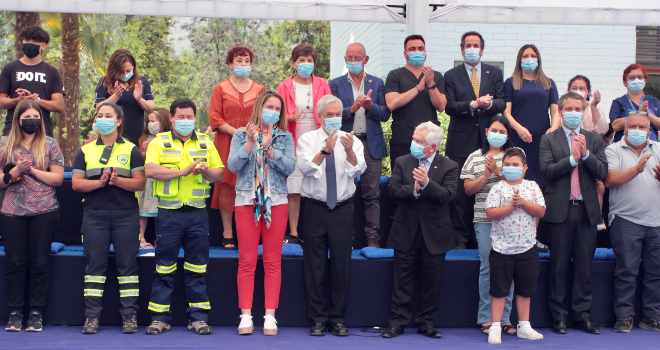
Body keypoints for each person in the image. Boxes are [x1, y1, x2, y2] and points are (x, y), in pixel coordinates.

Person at [144, 98, 224, 336]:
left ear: (195, 118)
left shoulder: (205, 143)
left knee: (197, 268)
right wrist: (184, 171)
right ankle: (159, 318)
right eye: (181, 117)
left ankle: (198, 318)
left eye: (190, 117)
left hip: (198, 214)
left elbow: (219, 174)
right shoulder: (159, 142)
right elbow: (150, 170)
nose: (186, 121)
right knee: (164, 268)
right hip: (169, 214)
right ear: (171, 118)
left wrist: (206, 170)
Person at [71, 102, 146, 334]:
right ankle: (92, 317)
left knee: (128, 267)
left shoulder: (131, 149)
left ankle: (130, 316)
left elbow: (141, 183)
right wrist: (99, 183)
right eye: (99, 115)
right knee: (95, 266)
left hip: (126, 215)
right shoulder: (85, 150)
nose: (102, 119)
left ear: (118, 121)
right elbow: (75, 183)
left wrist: (117, 181)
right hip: (95, 216)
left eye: (108, 115)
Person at [539, 92, 608, 335]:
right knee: (558, 267)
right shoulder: (549, 139)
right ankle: (559, 317)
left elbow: (602, 171)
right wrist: (571, 159)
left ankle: (582, 316)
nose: (573, 113)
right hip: (560, 211)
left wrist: (586, 155)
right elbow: (547, 171)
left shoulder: (594, 139)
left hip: (587, 211)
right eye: (568, 108)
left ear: (583, 110)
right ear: (560, 111)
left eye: (578, 109)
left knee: (584, 267)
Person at [227, 91, 296, 336]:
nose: (273, 112)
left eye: (278, 108)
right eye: (269, 106)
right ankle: (245, 315)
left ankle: (270, 316)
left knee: (272, 261)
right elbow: (233, 165)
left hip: (276, 202)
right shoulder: (239, 134)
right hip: (247, 201)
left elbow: (290, 166)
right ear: (259, 108)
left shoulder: (285, 137)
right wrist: (251, 142)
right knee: (246, 261)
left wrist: (268, 149)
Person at [297, 95, 366, 337]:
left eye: (338, 114)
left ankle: (337, 319)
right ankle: (317, 320)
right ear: (320, 117)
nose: (335, 118)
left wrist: (348, 151)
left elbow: (359, 170)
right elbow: (306, 168)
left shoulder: (352, 140)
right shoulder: (307, 139)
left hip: (343, 209)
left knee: (341, 266)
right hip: (315, 208)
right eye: (330, 114)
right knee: (314, 266)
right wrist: (326, 149)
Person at [383, 122, 457, 339]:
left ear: (432, 147)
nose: (413, 144)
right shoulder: (402, 162)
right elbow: (393, 191)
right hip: (405, 229)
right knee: (401, 280)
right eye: (414, 139)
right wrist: (414, 189)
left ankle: (427, 322)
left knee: (431, 281)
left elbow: (448, 196)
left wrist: (426, 184)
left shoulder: (449, 166)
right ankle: (397, 322)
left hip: (435, 233)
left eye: (419, 141)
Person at [1, 100, 64, 332]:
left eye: (35, 116)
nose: (31, 120)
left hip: (44, 210)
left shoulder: (50, 144)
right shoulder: (4, 144)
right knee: (15, 263)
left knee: (39, 262)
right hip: (12, 212)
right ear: (18, 119)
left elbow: (57, 179)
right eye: (26, 116)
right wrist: (14, 172)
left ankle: (36, 313)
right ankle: (15, 313)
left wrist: (32, 170)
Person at [444, 31, 506, 249]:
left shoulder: (495, 73)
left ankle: (487, 239)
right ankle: (461, 240)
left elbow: (501, 102)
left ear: (482, 49)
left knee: (489, 187)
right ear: (462, 49)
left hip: (488, 141)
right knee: (461, 193)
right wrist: (473, 104)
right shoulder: (451, 75)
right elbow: (449, 106)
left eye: (476, 45)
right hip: (461, 141)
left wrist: (488, 105)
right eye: (468, 45)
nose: (472, 49)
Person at [603, 111, 660, 333]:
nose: (637, 131)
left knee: (656, 272)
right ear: (625, 130)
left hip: (656, 220)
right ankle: (623, 316)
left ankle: (652, 316)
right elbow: (609, 179)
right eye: (633, 127)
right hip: (626, 219)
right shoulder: (613, 149)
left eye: (642, 127)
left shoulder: (658, 148)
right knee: (626, 271)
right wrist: (636, 170)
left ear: (649, 130)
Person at [329, 42, 389, 248]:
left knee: (372, 194)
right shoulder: (335, 84)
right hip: (347, 143)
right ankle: (347, 238)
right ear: (345, 59)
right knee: (346, 192)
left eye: (357, 58)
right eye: (350, 58)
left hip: (371, 144)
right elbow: (332, 115)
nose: (353, 61)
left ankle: (373, 239)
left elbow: (385, 114)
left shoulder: (377, 82)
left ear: (366, 59)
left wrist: (371, 107)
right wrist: (351, 109)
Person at [461, 115, 515, 336]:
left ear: (508, 135)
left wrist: (499, 171)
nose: (498, 135)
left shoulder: (514, 156)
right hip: (484, 220)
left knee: (508, 269)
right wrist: (485, 176)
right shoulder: (475, 157)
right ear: (486, 132)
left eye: (502, 132)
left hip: (511, 220)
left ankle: (504, 318)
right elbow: (468, 190)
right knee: (487, 267)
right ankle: (486, 318)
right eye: (494, 130)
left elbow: (519, 182)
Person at [485, 147, 546, 345]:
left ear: (525, 168)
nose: (512, 168)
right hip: (501, 249)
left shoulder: (532, 187)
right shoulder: (497, 188)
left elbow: (541, 211)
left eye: (516, 165)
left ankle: (524, 325)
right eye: (508, 164)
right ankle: (495, 326)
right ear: (502, 167)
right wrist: (511, 206)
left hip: (527, 248)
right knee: (499, 289)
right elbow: (491, 213)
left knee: (525, 289)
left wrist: (523, 203)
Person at [209, 46, 265, 250]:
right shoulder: (220, 88)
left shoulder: (259, 89)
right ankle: (227, 233)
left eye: (247, 60)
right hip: (226, 141)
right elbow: (215, 118)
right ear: (230, 63)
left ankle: (247, 231)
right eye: (239, 60)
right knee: (227, 184)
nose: (243, 64)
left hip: (253, 140)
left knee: (250, 183)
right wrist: (237, 132)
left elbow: (263, 115)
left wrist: (251, 134)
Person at [276, 44, 331, 242]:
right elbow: (277, 115)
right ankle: (293, 232)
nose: (306, 64)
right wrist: (290, 117)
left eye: (310, 60)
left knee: (318, 186)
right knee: (294, 188)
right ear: (294, 63)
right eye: (302, 60)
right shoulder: (284, 86)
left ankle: (319, 231)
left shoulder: (323, 83)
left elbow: (330, 109)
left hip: (317, 137)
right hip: (293, 138)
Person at [503, 44, 559, 189]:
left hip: (542, 139)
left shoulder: (548, 83)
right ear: (519, 60)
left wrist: (553, 128)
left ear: (538, 59)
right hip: (518, 138)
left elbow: (555, 111)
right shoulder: (511, 82)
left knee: (541, 179)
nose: (529, 59)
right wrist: (518, 128)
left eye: (533, 56)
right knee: (518, 176)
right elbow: (506, 112)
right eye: (525, 56)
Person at [385, 35, 447, 165]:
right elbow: (392, 103)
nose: (417, 52)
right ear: (405, 54)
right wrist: (418, 88)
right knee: (402, 181)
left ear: (425, 52)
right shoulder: (395, 75)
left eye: (421, 48)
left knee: (429, 181)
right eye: (412, 49)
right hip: (402, 139)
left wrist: (431, 85)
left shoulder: (436, 76)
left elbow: (441, 106)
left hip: (429, 141)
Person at [0, 26, 64, 137]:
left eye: (35, 41)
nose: (30, 43)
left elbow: (58, 105)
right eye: (27, 40)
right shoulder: (9, 68)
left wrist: (37, 100)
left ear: (43, 45)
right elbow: (1, 101)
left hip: (43, 132)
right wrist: (18, 100)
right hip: (13, 132)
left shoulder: (52, 72)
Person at [568, 75, 609, 231]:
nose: (578, 91)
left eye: (582, 88)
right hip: (571, 152)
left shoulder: (596, 108)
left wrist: (593, 106)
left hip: (591, 152)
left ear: (588, 91)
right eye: (574, 88)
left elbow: (603, 129)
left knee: (599, 185)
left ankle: (597, 217)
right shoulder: (566, 108)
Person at [94, 49, 155, 145]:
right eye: (122, 71)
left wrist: (139, 99)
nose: (125, 74)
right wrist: (116, 96)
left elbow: (151, 108)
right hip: (113, 135)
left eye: (128, 71)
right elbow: (98, 107)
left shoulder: (141, 82)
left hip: (137, 135)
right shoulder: (105, 82)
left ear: (133, 68)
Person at [137, 108, 172, 249]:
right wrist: (145, 152)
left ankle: (161, 239)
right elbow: (140, 160)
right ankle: (141, 238)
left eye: (154, 121)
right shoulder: (144, 139)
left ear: (163, 122)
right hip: (147, 182)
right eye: (149, 121)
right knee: (142, 211)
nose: (151, 124)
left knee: (161, 212)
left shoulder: (169, 139)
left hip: (162, 181)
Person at [609, 64, 660, 143]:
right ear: (625, 82)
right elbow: (615, 125)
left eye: (640, 77)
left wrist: (648, 115)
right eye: (632, 77)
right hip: (624, 149)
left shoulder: (654, 102)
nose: (636, 80)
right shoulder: (618, 102)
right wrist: (637, 114)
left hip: (651, 149)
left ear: (645, 81)